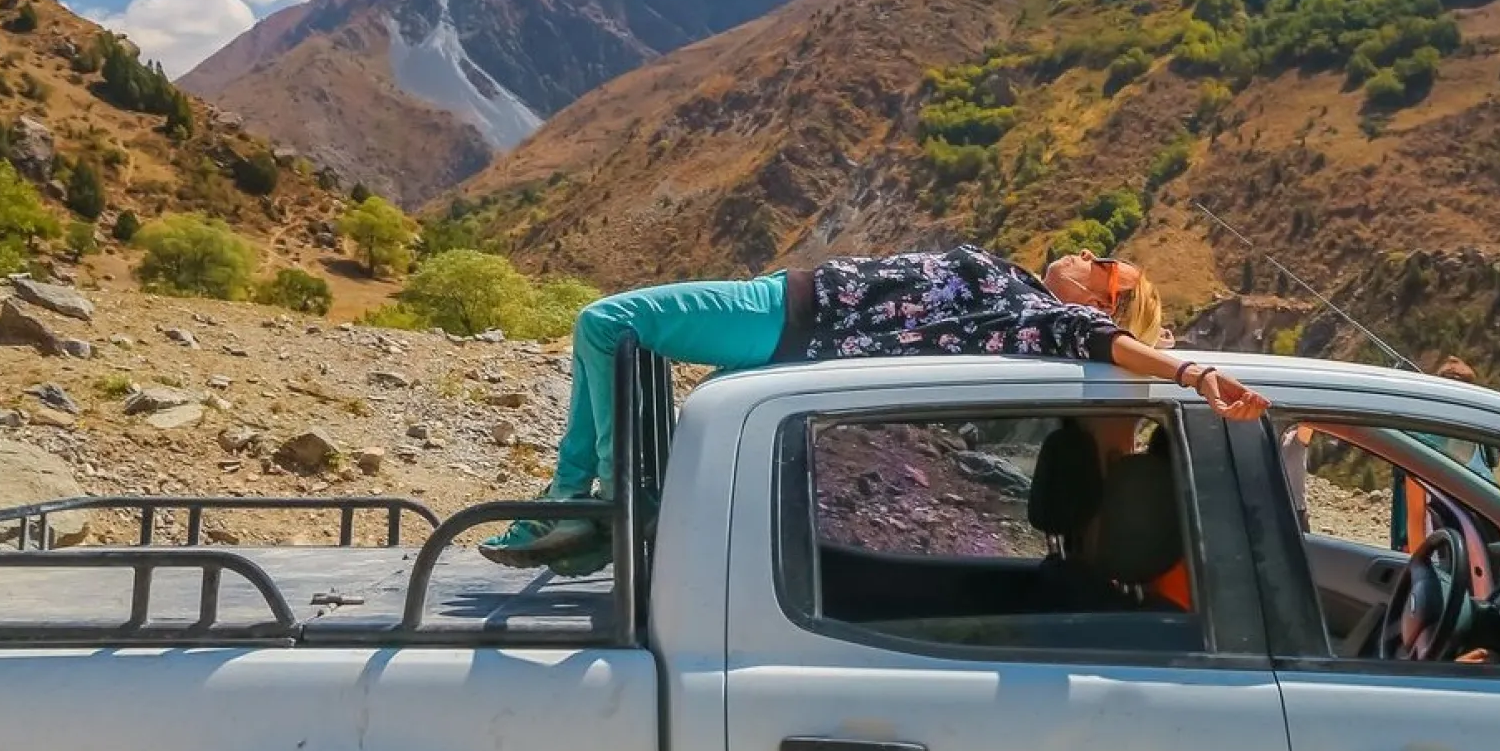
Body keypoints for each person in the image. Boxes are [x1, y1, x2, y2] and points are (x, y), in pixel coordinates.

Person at [480, 244, 1271, 574]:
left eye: (1108, 269)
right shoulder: (1023, 300)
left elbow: (1105, 343)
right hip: (793, 319)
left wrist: (1192, 373)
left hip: (788, 312)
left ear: (1103, 299)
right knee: (618, 341)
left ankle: (603, 507)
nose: (1088, 256)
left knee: (608, 322)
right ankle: (581, 509)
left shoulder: (1041, 320)